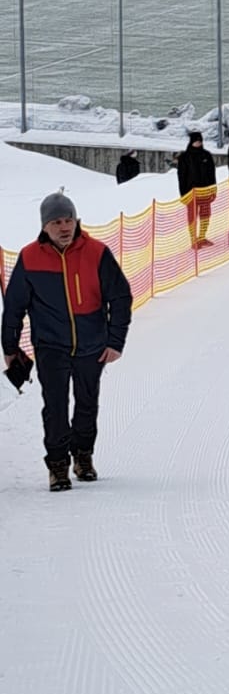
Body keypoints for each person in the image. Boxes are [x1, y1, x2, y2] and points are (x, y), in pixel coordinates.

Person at [1, 190, 132, 491]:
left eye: (68, 220)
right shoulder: (30, 257)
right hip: (50, 347)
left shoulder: (97, 252)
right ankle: (58, 464)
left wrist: (115, 341)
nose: (64, 227)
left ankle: (83, 456)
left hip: (92, 345)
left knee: (87, 403)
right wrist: (10, 347)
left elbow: (120, 297)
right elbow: (15, 307)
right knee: (55, 406)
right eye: (56, 222)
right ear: (44, 226)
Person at [176, 129, 218, 248]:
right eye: (196, 141)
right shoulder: (184, 157)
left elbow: (212, 173)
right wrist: (183, 194)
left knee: (206, 215)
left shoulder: (207, 155)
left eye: (200, 141)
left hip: (205, 191)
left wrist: (213, 189)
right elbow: (181, 177)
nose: (198, 143)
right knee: (192, 216)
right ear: (191, 142)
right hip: (191, 192)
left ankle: (202, 237)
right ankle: (193, 240)